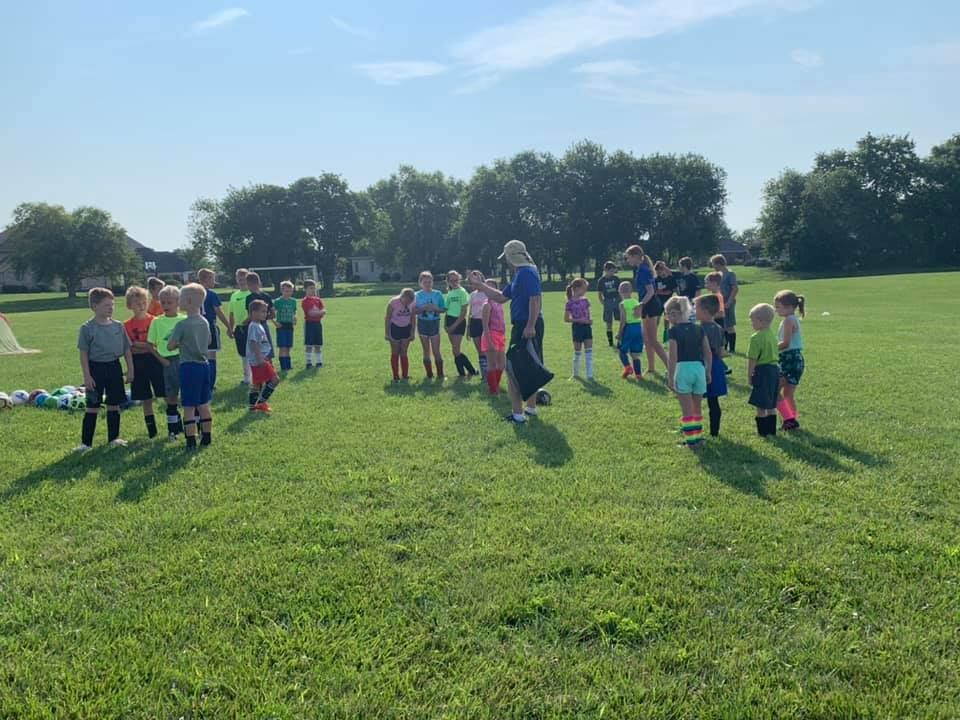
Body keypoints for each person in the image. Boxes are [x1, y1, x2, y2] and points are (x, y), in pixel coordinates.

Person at [468, 239, 544, 424]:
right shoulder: (520, 274)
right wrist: (481, 285)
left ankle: (518, 415)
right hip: (523, 324)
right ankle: (531, 408)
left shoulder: (526, 272)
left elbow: (535, 299)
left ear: (512, 257)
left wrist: (530, 325)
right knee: (530, 365)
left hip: (526, 325)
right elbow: (500, 297)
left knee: (513, 368)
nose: (506, 263)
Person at [75, 288, 134, 452]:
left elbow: (127, 350)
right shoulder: (87, 328)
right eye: (107, 305)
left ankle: (113, 438)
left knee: (114, 405)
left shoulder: (118, 326)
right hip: (95, 369)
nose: (111, 308)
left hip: (114, 367)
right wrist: (87, 376)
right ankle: (86, 443)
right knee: (93, 405)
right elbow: (83, 354)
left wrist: (130, 370)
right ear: (94, 306)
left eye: (113, 304)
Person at [167, 284, 213, 449]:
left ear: (188, 301)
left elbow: (170, 346)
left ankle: (191, 440)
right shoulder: (205, 322)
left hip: (188, 367)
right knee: (203, 404)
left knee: (188, 405)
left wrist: (178, 342)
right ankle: (207, 437)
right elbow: (207, 342)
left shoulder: (182, 325)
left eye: (179, 299)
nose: (178, 302)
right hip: (204, 365)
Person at [665, 296, 711, 450]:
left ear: (675, 314)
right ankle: (698, 437)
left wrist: (670, 376)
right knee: (697, 407)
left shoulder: (673, 331)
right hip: (699, 369)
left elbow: (673, 356)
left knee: (687, 410)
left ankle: (691, 442)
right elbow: (707, 352)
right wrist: (708, 371)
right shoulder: (699, 328)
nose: (667, 317)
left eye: (668, 314)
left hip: (683, 369)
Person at [123, 286, 165, 439]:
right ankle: (152, 430)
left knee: (165, 394)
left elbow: (156, 344)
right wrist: (146, 346)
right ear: (130, 306)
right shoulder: (126, 325)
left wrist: (144, 346)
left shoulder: (155, 321)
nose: (141, 306)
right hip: (137, 363)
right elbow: (130, 347)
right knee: (146, 399)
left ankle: (174, 425)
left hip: (155, 361)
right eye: (137, 303)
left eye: (143, 302)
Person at [147, 285, 185, 440]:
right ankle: (173, 430)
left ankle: (193, 427)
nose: (166, 306)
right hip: (167, 362)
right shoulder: (156, 322)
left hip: (184, 360)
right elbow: (150, 344)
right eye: (163, 302)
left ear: (178, 302)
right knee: (171, 397)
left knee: (189, 395)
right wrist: (162, 360)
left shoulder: (184, 319)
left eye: (170, 302)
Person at [624, 246, 669, 376]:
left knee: (653, 340)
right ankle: (651, 368)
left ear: (636, 255)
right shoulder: (641, 269)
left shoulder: (643, 270)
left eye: (628, 257)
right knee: (647, 340)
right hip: (647, 305)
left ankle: (670, 367)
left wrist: (640, 304)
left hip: (650, 305)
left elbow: (650, 291)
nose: (627, 260)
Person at [696, 294, 727, 437]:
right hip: (716, 365)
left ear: (705, 311)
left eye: (696, 308)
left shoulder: (699, 329)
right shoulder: (719, 328)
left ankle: (694, 429)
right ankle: (714, 432)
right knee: (713, 401)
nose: (694, 311)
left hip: (703, 365)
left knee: (695, 400)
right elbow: (721, 350)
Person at [775, 290, 806, 431]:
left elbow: (786, 343)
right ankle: (792, 421)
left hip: (789, 359)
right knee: (788, 394)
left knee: (774, 390)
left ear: (789, 307)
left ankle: (790, 420)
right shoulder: (792, 319)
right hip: (796, 359)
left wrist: (770, 349)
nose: (776, 310)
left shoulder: (788, 320)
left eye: (778, 307)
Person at [747, 303, 780, 437]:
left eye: (753, 321)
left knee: (760, 404)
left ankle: (763, 432)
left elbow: (753, 359)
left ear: (760, 321)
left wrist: (749, 375)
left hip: (762, 371)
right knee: (772, 403)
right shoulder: (772, 335)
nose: (752, 324)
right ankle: (772, 430)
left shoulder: (756, 338)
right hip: (774, 370)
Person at [246, 299, 281, 412]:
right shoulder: (254, 326)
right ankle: (261, 403)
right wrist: (260, 358)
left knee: (257, 383)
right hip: (259, 359)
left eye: (265, 312)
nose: (265, 314)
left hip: (259, 358)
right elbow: (253, 342)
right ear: (253, 312)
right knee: (275, 379)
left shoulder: (258, 325)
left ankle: (253, 407)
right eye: (262, 311)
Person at [197, 268, 228, 390]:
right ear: (207, 279)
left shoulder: (193, 293)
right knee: (211, 356)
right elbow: (218, 312)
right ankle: (210, 384)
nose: (214, 282)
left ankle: (201, 382)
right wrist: (229, 327)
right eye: (213, 279)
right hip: (209, 326)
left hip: (196, 326)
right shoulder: (211, 294)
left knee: (199, 356)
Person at [444, 271, 477, 378]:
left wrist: (454, 326)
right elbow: (447, 309)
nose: (454, 282)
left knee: (456, 348)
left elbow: (463, 313)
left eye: (456, 280)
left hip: (459, 321)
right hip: (449, 320)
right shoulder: (449, 293)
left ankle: (470, 370)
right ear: (448, 281)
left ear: (459, 280)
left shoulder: (463, 292)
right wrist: (446, 324)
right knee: (454, 349)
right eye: (451, 280)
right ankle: (464, 373)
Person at [414, 271, 446, 380]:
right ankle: (429, 374)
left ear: (433, 282)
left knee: (436, 350)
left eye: (430, 281)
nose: (427, 284)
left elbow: (443, 309)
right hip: (422, 323)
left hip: (434, 323)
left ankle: (440, 374)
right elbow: (413, 311)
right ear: (420, 283)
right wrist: (424, 308)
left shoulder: (438, 294)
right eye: (425, 282)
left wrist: (435, 308)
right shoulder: (416, 295)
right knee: (426, 350)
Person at [564, 278, 593, 380]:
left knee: (589, 351)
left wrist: (590, 320)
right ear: (577, 288)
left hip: (587, 328)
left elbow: (588, 313)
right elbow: (566, 319)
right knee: (577, 352)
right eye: (584, 288)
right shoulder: (569, 303)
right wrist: (579, 320)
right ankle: (575, 374)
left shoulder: (586, 300)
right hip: (577, 328)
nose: (585, 291)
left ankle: (590, 375)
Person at [481, 279, 506, 395]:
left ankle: (496, 384)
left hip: (500, 335)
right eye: (487, 287)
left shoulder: (499, 303)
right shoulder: (487, 305)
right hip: (491, 335)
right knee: (493, 364)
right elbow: (485, 325)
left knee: (502, 363)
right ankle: (493, 389)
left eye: (492, 288)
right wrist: (489, 340)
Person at [385, 288, 416, 381]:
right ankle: (395, 375)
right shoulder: (393, 302)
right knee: (395, 352)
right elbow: (387, 318)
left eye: (409, 302)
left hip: (406, 329)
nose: (407, 304)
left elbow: (413, 319)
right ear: (401, 297)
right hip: (395, 328)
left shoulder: (413, 303)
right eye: (405, 301)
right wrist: (387, 333)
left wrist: (413, 332)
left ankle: (405, 375)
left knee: (404, 352)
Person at [227, 268, 252, 385]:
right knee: (243, 354)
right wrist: (230, 327)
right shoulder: (234, 295)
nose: (241, 281)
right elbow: (231, 313)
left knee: (253, 352)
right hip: (239, 328)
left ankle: (257, 376)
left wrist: (248, 320)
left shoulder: (252, 294)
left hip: (251, 327)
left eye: (244, 279)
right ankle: (247, 377)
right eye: (239, 279)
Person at [711, 254, 739, 353]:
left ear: (719, 263)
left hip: (728, 302)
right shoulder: (718, 275)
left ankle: (732, 348)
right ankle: (725, 347)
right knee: (723, 325)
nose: (713, 266)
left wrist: (729, 301)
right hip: (720, 302)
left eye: (713, 264)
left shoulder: (730, 274)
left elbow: (735, 288)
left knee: (729, 325)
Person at [617, 281, 644, 379]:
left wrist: (620, 333)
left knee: (622, 350)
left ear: (620, 292)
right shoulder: (636, 302)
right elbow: (638, 315)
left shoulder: (622, 304)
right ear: (631, 291)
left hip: (629, 328)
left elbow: (623, 320)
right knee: (635, 354)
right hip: (638, 328)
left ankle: (628, 367)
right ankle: (638, 374)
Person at [274, 280, 297, 372]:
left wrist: (295, 318)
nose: (288, 293)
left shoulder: (293, 301)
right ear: (282, 291)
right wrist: (275, 322)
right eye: (286, 291)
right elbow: (272, 313)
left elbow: (293, 312)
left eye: (290, 291)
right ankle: (284, 366)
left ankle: (288, 365)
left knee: (288, 346)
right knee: (282, 346)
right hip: (281, 325)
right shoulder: (278, 301)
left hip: (289, 325)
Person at [301, 279, 326, 369]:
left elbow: (324, 310)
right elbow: (311, 313)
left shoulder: (318, 299)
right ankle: (309, 362)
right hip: (309, 324)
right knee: (309, 344)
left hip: (317, 324)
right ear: (305, 289)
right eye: (311, 288)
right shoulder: (305, 301)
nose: (313, 290)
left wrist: (319, 312)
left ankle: (319, 362)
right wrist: (320, 313)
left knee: (318, 344)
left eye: (314, 288)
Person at [597, 261, 621, 347]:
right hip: (608, 301)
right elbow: (599, 293)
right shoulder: (601, 280)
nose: (612, 273)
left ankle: (620, 338)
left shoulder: (616, 279)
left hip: (617, 301)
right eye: (611, 271)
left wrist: (621, 301)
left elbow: (620, 291)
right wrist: (603, 302)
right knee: (608, 322)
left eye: (613, 271)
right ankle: (610, 342)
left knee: (621, 319)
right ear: (606, 270)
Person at [468, 280, 489, 376]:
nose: (475, 285)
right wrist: (468, 328)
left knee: (487, 349)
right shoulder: (472, 294)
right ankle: (484, 373)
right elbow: (470, 312)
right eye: (473, 283)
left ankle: (490, 371)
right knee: (479, 350)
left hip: (486, 322)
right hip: (474, 322)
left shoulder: (488, 293)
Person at [654, 261, 677, 342]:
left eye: (661, 269)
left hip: (668, 301)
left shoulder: (670, 279)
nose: (659, 271)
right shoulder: (656, 279)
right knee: (656, 319)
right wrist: (659, 292)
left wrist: (659, 292)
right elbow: (654, 291)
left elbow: (669, 292)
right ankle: (653, 337)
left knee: (667, 320)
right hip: (658, 302)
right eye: (658, 270)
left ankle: (666, 337)